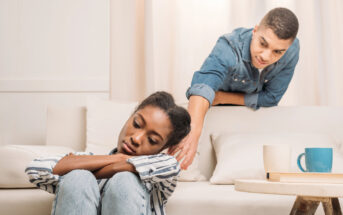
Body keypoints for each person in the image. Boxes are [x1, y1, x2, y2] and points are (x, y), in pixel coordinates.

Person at [168, 7, 300, 170]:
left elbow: (271, 97)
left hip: (246, 122)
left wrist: (222, 97)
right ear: (255, 30)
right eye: (262, 43)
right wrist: (192, 132)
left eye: (277, 52)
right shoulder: (229, 47)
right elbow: (203, 86)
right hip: (212, 113)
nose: (265, 56)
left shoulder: (292, 50)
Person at [25, 91, 191, 215]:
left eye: (152, 140)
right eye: (137, 124)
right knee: (78, 178)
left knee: (125, 180)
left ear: (164, 148)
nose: (137, 138)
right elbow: (35, 169)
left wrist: (76, 166)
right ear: (130, 116)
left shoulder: (160, 173)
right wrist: (117, 158)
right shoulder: (88, 162)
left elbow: (171, 165)